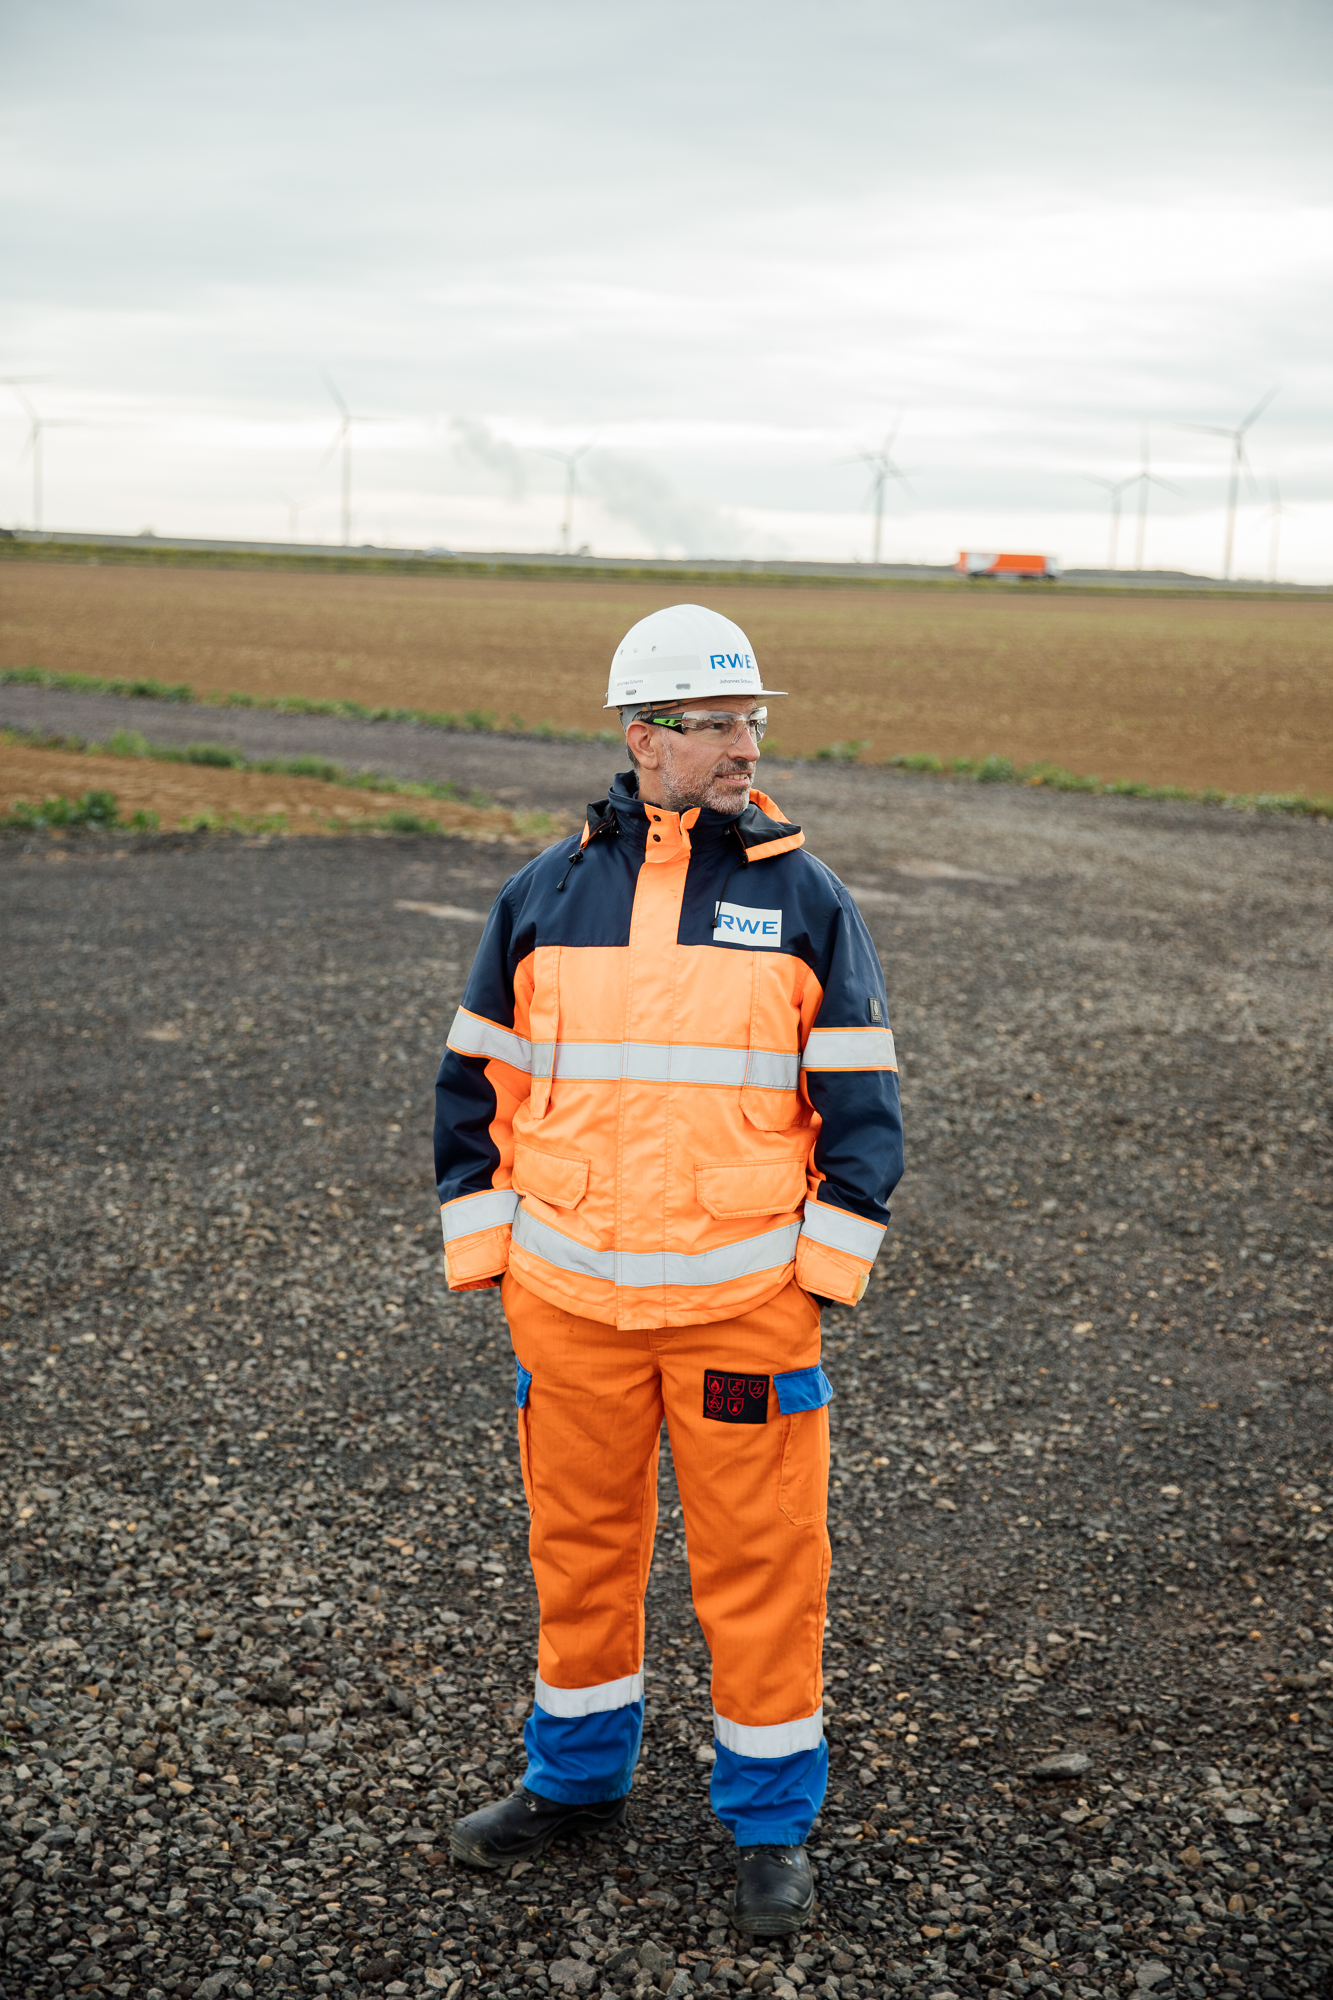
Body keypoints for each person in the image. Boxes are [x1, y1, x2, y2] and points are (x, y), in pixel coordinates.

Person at [433, 603, 903, 1935]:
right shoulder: (543, 891)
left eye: (753, 718)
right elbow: (474, 1086)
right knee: (576, 1557)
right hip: (569, 1311)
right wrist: (497, 1265)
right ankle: (574, 1787)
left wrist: (814, 1280)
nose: (746, 743)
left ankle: (768, 1828)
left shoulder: (804, 897)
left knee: (761, 1573)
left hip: (742, 1315)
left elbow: (862, 1113)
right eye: (719, 723)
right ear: (646, 738)